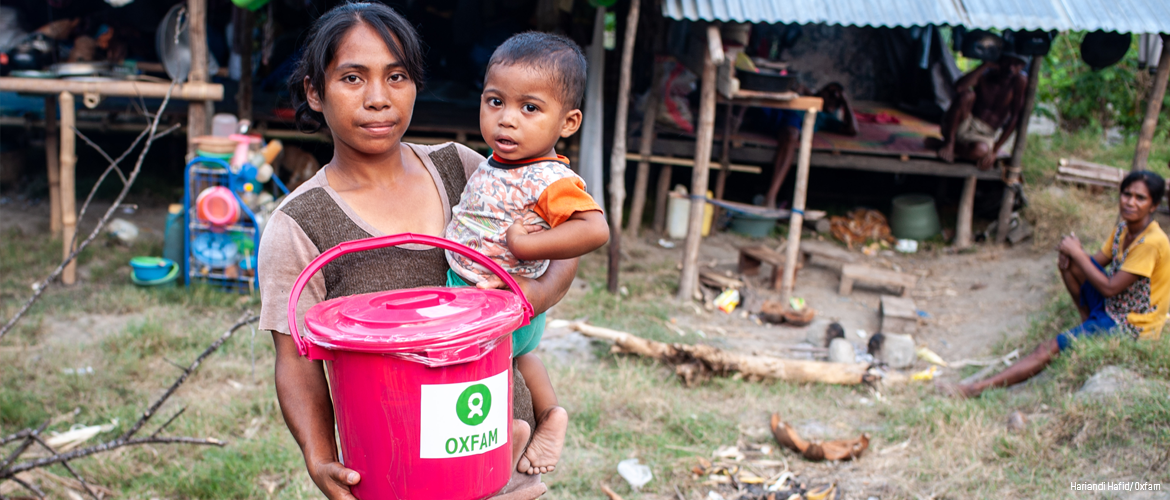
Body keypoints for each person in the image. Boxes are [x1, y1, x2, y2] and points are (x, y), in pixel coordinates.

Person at [256, 4, 576, 499]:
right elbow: (296, 360)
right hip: (396, 468)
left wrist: (536, 293)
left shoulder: (468, 172)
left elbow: (569, 228)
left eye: (397, 76)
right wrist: (319, 457)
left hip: (499, 444)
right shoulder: (299, 224)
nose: (378, 99)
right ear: (314, 92)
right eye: (352, 78)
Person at [444, 31, 609, 475]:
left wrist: (526, 245)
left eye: (529, 108)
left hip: (497, 297)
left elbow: (595, 229)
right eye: (495, 102)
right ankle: (551, 413)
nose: (506, 120)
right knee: (524, 357)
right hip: (485, 292)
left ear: (568, 123)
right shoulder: (501, 162)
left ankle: (508, 432)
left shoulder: (550, 180)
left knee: (474, 367)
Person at [946, 171, 1170, 398]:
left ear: (1154, 205)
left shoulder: (1151, 242)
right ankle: (1088, 326)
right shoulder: (1124, 229)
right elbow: (1094, 263)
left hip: (1133, 325)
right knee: (1073, 262)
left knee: (1047, 349)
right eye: (1126, 194)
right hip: (1114, 306)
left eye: (1140, 198)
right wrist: (1070, 255)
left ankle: (975, 389)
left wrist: (1078, 253)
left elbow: (1110, 287)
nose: (1130, 202)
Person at [764, 82, 858, 209]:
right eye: (828, 92)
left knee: (792, 134)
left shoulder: (826, 117)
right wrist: (808, 92)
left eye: (833, 98)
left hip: (789, 127)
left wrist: (845, 101)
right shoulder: (804, 93)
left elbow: (853, 130)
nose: (829, 97)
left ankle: (771, 196)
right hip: (777, 111)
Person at [934, 52, 1027, 171]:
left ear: (1023, 66)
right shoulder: (986, 74)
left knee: (980, 151)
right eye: (1007, 61)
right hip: (963, 123)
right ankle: (949, 143)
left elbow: (1015, 117)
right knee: (967, 95)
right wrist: (984, 66)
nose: (1010, 68)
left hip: (985, 133)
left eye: (1016, 64)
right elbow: (959, 88)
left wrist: (994, 150)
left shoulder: (1019, 82)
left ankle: (944, 145)